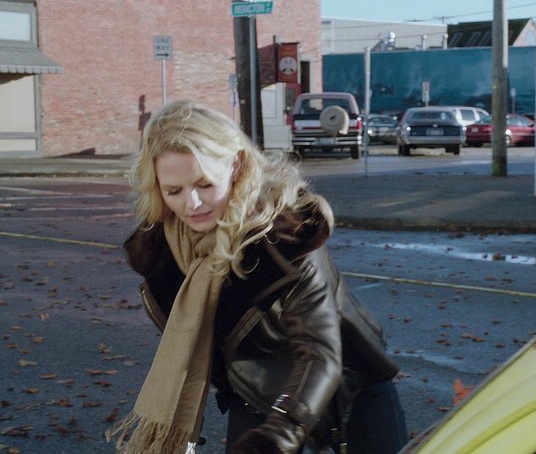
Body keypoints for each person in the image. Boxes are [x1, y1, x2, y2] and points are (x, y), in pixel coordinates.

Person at [106, 100, 408, 454]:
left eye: (205, 184)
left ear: (236, 165)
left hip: (349, 392)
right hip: (254, 395)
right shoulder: (165, 251)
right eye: (173, 191)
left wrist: (276, 438)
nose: (192, 204)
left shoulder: (288, 236)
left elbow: (318, 353)